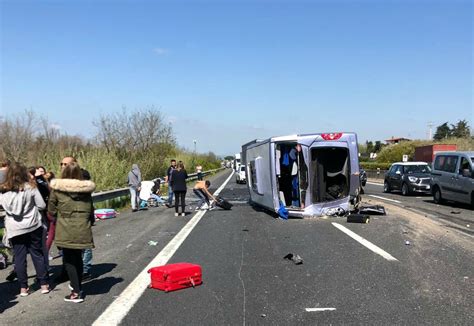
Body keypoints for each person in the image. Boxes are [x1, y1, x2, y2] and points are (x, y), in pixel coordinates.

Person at [0, 162, 50, 296]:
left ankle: (23, 287)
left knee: (19, 258)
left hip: (15, 228)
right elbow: (41, 205)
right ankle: (44, 284)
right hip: (33, 225)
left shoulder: (3, 191)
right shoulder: (30, 187)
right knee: (37, 254)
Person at [48, 161, 95, 303]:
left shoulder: (57, 191)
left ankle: (76, 292)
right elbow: (91, 213)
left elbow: (51, 211)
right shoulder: (87, 192)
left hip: (65, 229)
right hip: (82, 229)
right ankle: (77, 286)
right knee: (78, 259)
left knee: (69, 261)